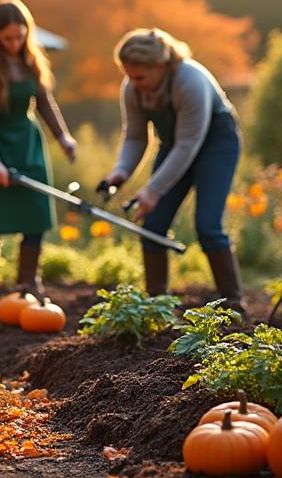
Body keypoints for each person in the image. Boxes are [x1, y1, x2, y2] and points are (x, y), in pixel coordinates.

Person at [96, 28, 245, 313]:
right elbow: (135, 137)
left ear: (161, 65)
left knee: (208, 225)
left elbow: (189, 143)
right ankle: (156, 306)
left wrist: (153, 190)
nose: (134, 83)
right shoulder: (132, 89)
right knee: (153, 225)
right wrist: (120, 173)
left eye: (140, 77)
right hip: (175, 144)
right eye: (129, 76)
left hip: (216, 144)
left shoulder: (190, 80)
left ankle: (235, 305)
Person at [0, 0, 76, 305]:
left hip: (27, 145)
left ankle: (28, 283)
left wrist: (63, 137)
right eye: (7, 38)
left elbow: (44, 103)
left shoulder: (31, 60)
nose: (14, 43)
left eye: (20, 36)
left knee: (36, 216)